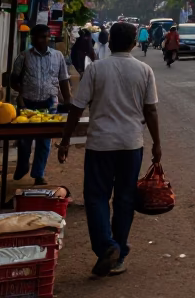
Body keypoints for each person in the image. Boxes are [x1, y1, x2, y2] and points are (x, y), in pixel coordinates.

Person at [57, 21, 161, 278]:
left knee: (96, 198)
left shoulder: (96, 70)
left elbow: (77, 107)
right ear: (134, 43)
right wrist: (157, 143)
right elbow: (151, 110)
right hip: (131, 144)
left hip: (100, 145)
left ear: (109, 42)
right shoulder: (145, 70)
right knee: (125, 199)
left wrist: (66, 139)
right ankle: (118, 254)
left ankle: (107, 247)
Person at [10, 23, 72, 185]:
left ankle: (38, 174)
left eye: (47, 36)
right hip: (28, 103)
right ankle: (22, 165)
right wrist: (20, 94)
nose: (45, 40)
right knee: (24, 139)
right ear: (34, 39)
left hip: (49, 102)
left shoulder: (57, 56)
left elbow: (63, 79)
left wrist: (69, 100)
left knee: (44, 140)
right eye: (41, 37)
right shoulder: (24, 57)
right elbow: (14, 80)